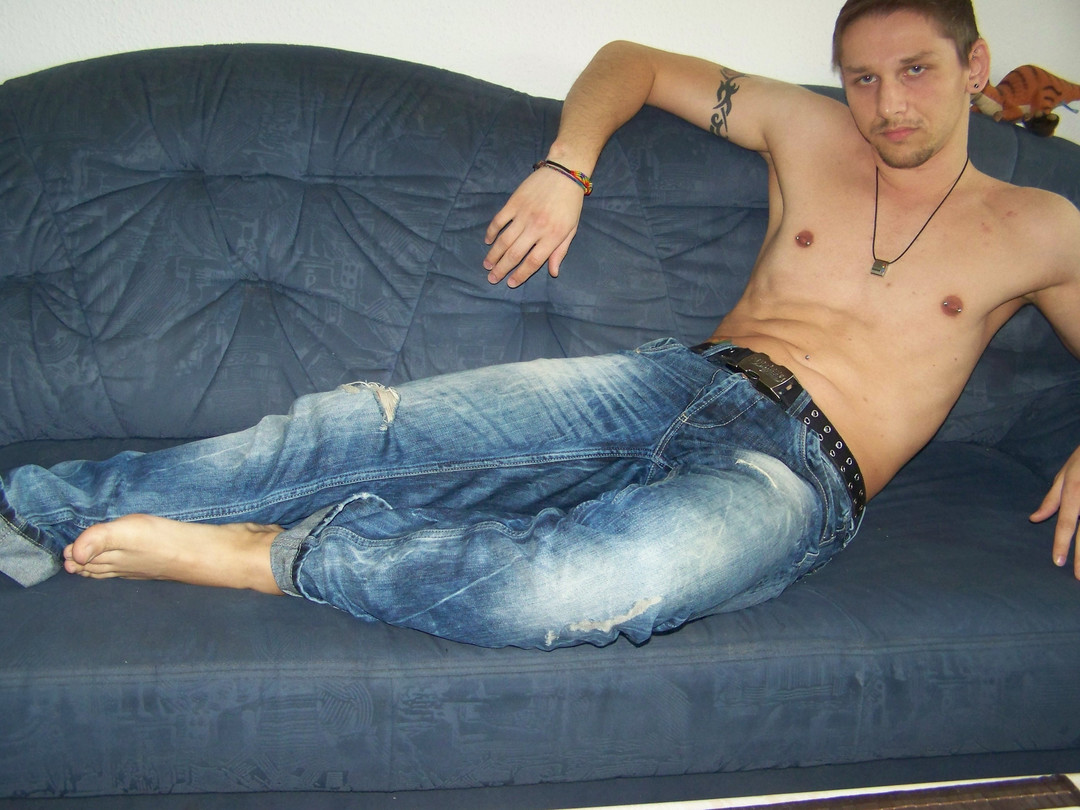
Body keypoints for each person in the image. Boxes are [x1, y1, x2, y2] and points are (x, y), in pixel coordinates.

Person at [1, 0, 1078, 649]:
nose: (887, 103)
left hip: (798, 475)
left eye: (916, 70)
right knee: (359, 428)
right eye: (864, 77)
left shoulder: (1039, 225)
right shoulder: (808, 127)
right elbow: (631, 60)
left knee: (570, 588)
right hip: (676, 382)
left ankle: (268, 559)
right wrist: (569, 166)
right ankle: (32, 510)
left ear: (974, 66)